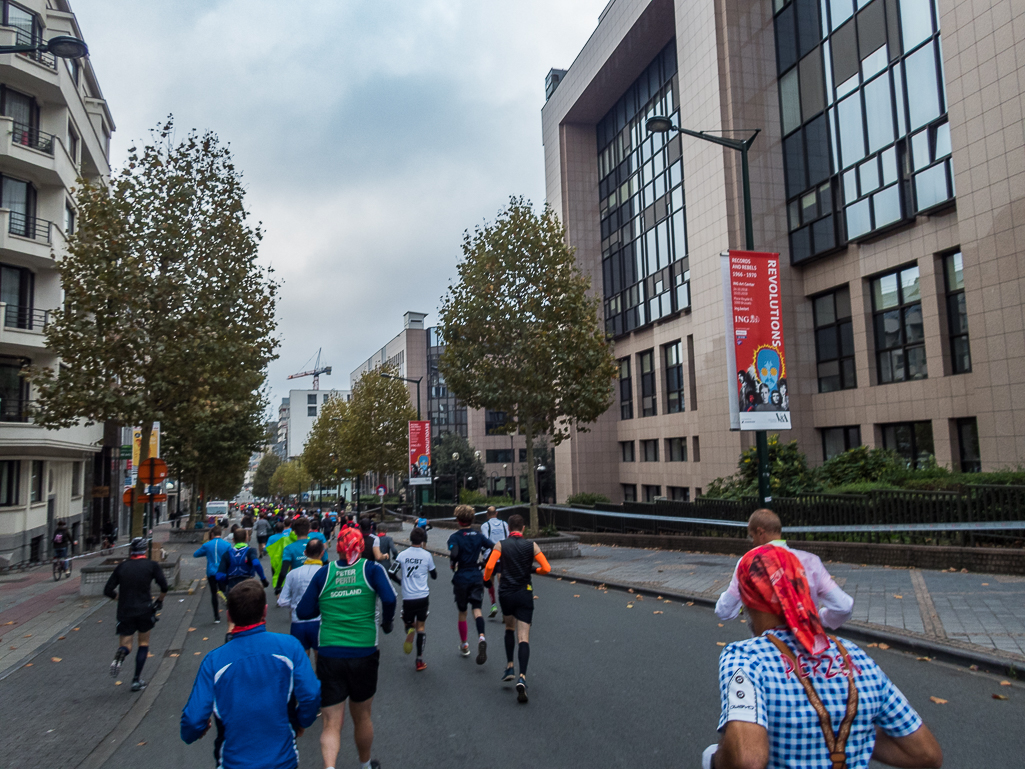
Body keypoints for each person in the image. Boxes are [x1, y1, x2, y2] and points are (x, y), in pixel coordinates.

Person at [702, 544, 943, 769]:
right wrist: (852, 732)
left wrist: (714, 759)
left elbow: (748, 760)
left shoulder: (746, 658)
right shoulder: (856, 657)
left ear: (748, 599)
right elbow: (926, 753)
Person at [181, 580, 321, 769]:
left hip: (233, 762)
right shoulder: (290, 647)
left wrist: (195, 731)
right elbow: (311, 694)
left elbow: (193, 720)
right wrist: (300, 722)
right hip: (283, 760)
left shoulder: (213, 661)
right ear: (265, 611)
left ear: (229, 615)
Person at [296, 526, 395, 769]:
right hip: (364, 651)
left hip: (329, 652)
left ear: (337, 549)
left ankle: (329, 767)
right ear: (361, 546)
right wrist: (386, 623)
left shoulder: (324, 573)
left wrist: (326, 607)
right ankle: (365, 764)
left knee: (331, 721)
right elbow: (390, 598)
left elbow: (303, 611)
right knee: (362, 716)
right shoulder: (371, 570)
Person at [716, 509, 854, 629]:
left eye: (751, 536)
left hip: (769, 650)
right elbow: (844, 607)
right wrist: (818, 618)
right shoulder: (812, 561)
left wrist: (743, 605)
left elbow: (724, 610)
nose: (752, 542)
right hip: (807, 650)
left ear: (760, 532)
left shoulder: (749, 562)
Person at [482, 513, 551, 703]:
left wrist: (487, 579)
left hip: (506, 593)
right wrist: (534, 570)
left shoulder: (500, 545)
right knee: (523, 637)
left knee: (509, 628)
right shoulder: (532, 546)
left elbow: (489, 567)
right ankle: (522, 677)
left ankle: (509, 666)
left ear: (509, 528)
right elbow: (547, 568)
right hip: (524, 593)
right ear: (523, 529)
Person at [104, 537, 169, 692]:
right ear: (145, 550)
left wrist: (119, 597)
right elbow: (165, 586)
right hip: (145, 609)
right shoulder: (151, 566)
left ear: (131, 550)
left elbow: (107, 590)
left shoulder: (122, 567)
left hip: (125, 610)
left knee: (126, 644)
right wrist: (159, 601)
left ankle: (121, 653)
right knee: (143, 644)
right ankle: (136, 680)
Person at [447, 504, 493, 663]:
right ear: (471, 519)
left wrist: (453, 562)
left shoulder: (454, 537)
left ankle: (465, 644)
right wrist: (485, 562)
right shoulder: (478, 536)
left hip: (461, 577)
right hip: (476, 575)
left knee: (462, 612)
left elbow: (454, 554)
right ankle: (481, 637)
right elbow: (494, 547)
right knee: (477, 609)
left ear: (458, 520)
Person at [277, 538, 325, 664]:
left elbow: (282, 601)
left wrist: (294, 605)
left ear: (305, 553)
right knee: (322, 663)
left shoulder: (293, 573)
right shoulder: (327, 573)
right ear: (322, 553)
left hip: (298, 621)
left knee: (301, 664)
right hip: (321, 621)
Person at [395, 526, 436, 671]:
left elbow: (391, 571)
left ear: (410, 539)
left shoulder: (402, 555)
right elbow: (434, 574)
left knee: (407, 619)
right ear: (423, 540)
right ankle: (419, 659)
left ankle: (409, 628)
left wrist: (401, 581)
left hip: (408, 596)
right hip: (422, 596)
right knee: (422, 627)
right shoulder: (427, 555)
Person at [193, 526, 231, 623]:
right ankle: (229, 612)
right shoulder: (226, 545)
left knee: (213, 593)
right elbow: (231, 557)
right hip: (222, 571)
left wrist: (207, 553)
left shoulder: (207, 545)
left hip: (211, 572)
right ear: (221, 534)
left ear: (212, 534)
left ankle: (216, 617)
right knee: (224, 591)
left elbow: (196, 554)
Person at [216, 529, 269, 595]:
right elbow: (256, 563)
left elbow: (219, 576)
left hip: (233, 589)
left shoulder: (227, 554)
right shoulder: (250, 551)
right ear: (246, 539)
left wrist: (229, 580)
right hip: (248, 587)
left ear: (233, 540)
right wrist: (263, 579)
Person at [480, 507, 509, 619]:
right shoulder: (504, 524)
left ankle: (493, 605)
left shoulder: (485, 526)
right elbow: (507, 538)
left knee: (489, 580)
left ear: (487, 514)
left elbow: (485, 541)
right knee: (501, 581)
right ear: (496, 513)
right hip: (503, 555)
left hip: (490, 556)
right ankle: (504, 609)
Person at [276, 518, 312, 590]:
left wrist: (278, 587)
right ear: (309, 531)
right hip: (314, 581)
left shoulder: (289, 548)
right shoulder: (316, 544)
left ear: (294, 532)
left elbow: (284, 571)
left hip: (297, 583)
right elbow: (326, 563)